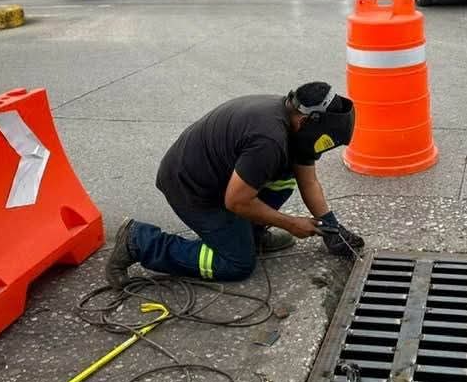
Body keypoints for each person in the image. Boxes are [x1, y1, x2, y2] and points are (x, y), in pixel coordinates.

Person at [106, 82, 364, 289]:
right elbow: (236, 201)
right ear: (307, 122)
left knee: (285, 177)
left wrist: (332, 228)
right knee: (237, 264)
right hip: (191, 189)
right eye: (324, 141)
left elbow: (308, 181)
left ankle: (250, 235)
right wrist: (290, 223)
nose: (322, 148)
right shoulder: (268, 140)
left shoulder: (293, 119)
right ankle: (140, 241)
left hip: (223, 181)